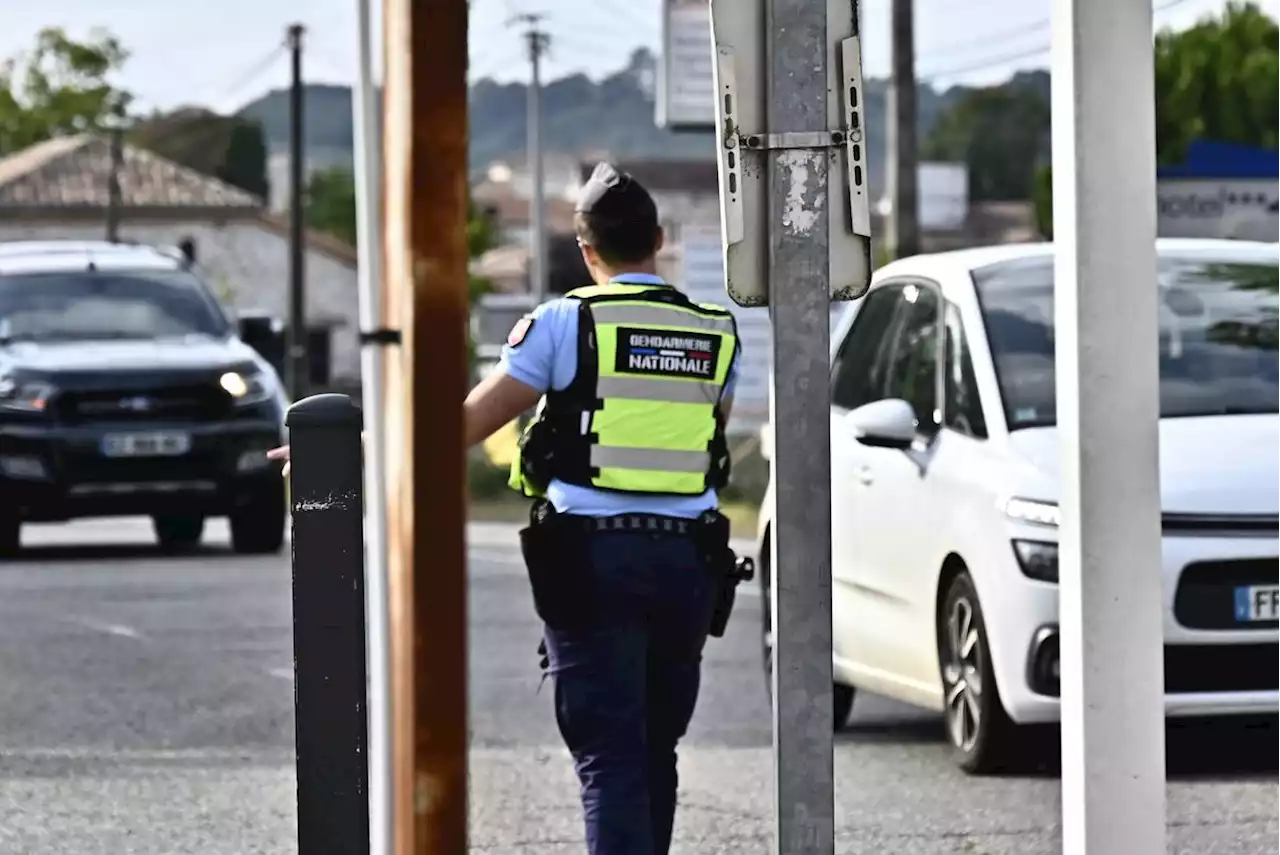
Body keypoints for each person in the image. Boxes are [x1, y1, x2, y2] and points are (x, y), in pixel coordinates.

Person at [269, 162, 743, 855]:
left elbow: (454, 432)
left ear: (587, 251)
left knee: (609, 756)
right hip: (687, 563)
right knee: (654, 749)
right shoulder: (714, 335)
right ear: (659, 239)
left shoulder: (563, 323)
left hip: (593, 559)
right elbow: (709, 439)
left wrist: (352, 449)